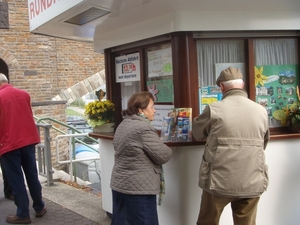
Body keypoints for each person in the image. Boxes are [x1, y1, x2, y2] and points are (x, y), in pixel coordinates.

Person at [192, 67, 270, 225]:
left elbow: (197, 133)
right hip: (251, 179)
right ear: (242, 85)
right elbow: (265, 142)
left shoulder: (214, 109)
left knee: (207, 221)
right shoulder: (261, 111)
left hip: (218, 181)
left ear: (221, 87)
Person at [110, 91, 172, 225]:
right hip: (138, 189)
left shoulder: (124, 124)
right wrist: (165, 145)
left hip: (120, 184)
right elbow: (163, 155)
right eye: (152, 107)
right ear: (141, 110)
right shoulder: (143, 128)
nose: (154, 110)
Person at [0, 72, 46, 224]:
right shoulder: (24, 94)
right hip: (28, 141)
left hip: (9, 143)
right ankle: (39, 207)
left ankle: (22, 213)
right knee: (32, 175)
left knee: (16, 179)